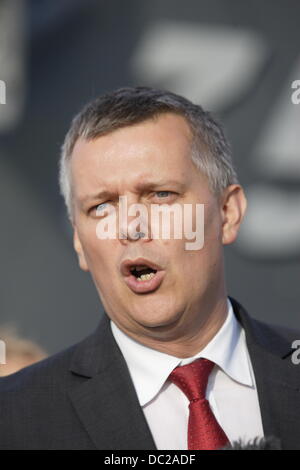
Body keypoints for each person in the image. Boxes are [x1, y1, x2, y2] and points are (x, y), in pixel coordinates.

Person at [0, 86, 299, 450]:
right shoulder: (13, 419)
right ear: (79, 241)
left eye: (160, 195)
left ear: (227, 213)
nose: (130, 226)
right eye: (102, 207)